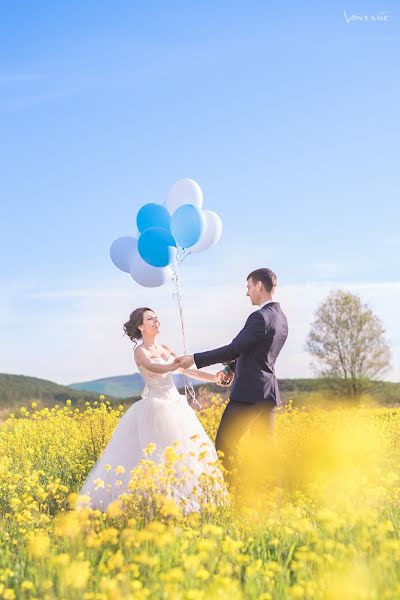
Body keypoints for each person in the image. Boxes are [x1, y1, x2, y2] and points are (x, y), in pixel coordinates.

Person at [77, 307, 227, 513]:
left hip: (176, 404)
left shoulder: (165, 348)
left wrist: (214, 378)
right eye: (150, 319)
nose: (156, 321)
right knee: (157, 457)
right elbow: (153, 367)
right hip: (156, 408)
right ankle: (154, 503)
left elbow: (186, 370)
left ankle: (188, 502)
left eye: (156, 318)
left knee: (185, 455)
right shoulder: (140, 351)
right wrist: (171, 367)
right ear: (141, 326)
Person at [175, 268, 288, 486]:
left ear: (258, 286)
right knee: (264, 449)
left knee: (225, 446)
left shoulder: (259, 317)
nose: (247, 293)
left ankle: (237, 496)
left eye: (248, 287)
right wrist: (232, 369)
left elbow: (234, 348)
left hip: (248, 394)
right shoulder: (281, 318)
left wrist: (195, 359)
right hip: (268, 392)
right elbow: (255, 351)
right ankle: (271, 496)